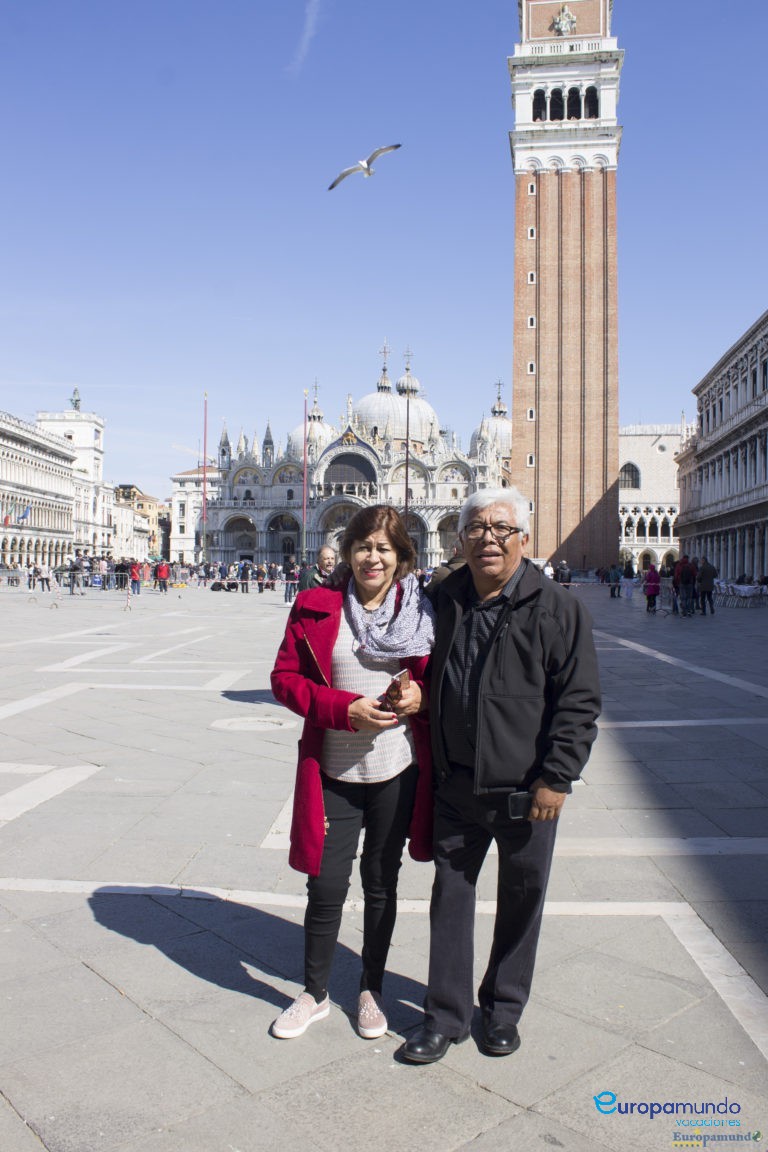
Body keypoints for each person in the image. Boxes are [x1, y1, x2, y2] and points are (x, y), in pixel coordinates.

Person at [402, 487, 600, 1064]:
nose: (489, 538)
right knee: (450, 898)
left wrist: (557, 778)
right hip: (456, 783)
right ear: (460, 538)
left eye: (501, 529)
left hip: (526, 791)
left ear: (523, 539)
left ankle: (504, 1009)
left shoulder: (557, 607)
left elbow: (579, 701)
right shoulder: (440, 597)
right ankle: (445, 1016)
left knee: (521, 900)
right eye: (477, 529)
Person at [270, 506, 435, 1042]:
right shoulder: (316, 606)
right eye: (363, 546)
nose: (373, 557)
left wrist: (419, 695)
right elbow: (284, 679)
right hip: (334, 770)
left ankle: (370, 989)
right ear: (348, 553)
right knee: (326, 886)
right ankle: (314, 993)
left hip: (396, 770)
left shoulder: (420, 613)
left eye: (385, 548)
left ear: (402, 558)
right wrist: (344, 709)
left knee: (381, 885)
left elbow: (439, 686)